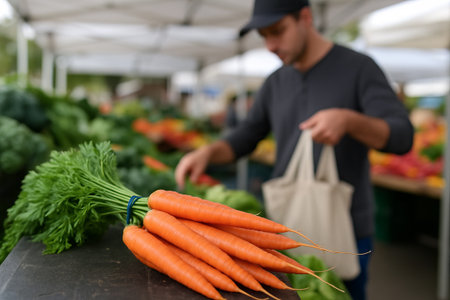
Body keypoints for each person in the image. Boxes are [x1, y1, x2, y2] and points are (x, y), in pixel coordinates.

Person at [175, 1, 414, 299]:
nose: (271, 45)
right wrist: (207, 154)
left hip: (346, 228)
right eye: (264, 36)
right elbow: (246, 136)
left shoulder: (359, 68)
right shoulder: (276, 82)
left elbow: (402, 136)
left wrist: (349, 120)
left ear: (305, 17)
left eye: (277, 31)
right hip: (286, 226)